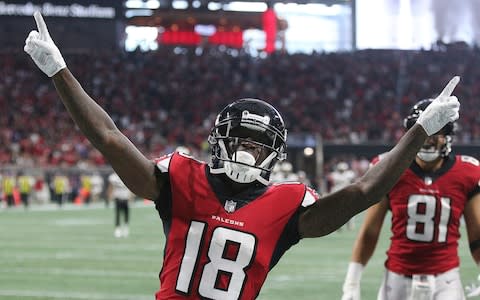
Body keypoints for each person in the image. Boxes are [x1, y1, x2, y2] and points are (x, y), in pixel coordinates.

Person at [24, 12, 460, 300]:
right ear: (220, 140)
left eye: (259, 145)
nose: (249, 152)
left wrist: (422, 127)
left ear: (273, 154)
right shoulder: (179, 177)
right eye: (242, 140)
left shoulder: (287, 204)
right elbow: (111, 139)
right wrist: (59, 70)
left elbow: (366, 189)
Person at [341, 99, 480, 300]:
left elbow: (477, 236)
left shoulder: (467, 171)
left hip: (446, 280)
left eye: (436, 132)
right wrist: (352, 282)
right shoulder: (388, 168)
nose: (428, 139)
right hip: (397, 278)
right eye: (423, 131)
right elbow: (370, 232)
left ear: (447, 135)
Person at [107, 171, 133, 238]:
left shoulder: (127, 176)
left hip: (125, 197)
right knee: (117, 214)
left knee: (126, 214)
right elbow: (111, 187)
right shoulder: (113, 177)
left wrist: (131, 197)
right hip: (117, 197)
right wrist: (109, 197)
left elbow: (131, 187)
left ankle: (126, 228)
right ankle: (117, 229)